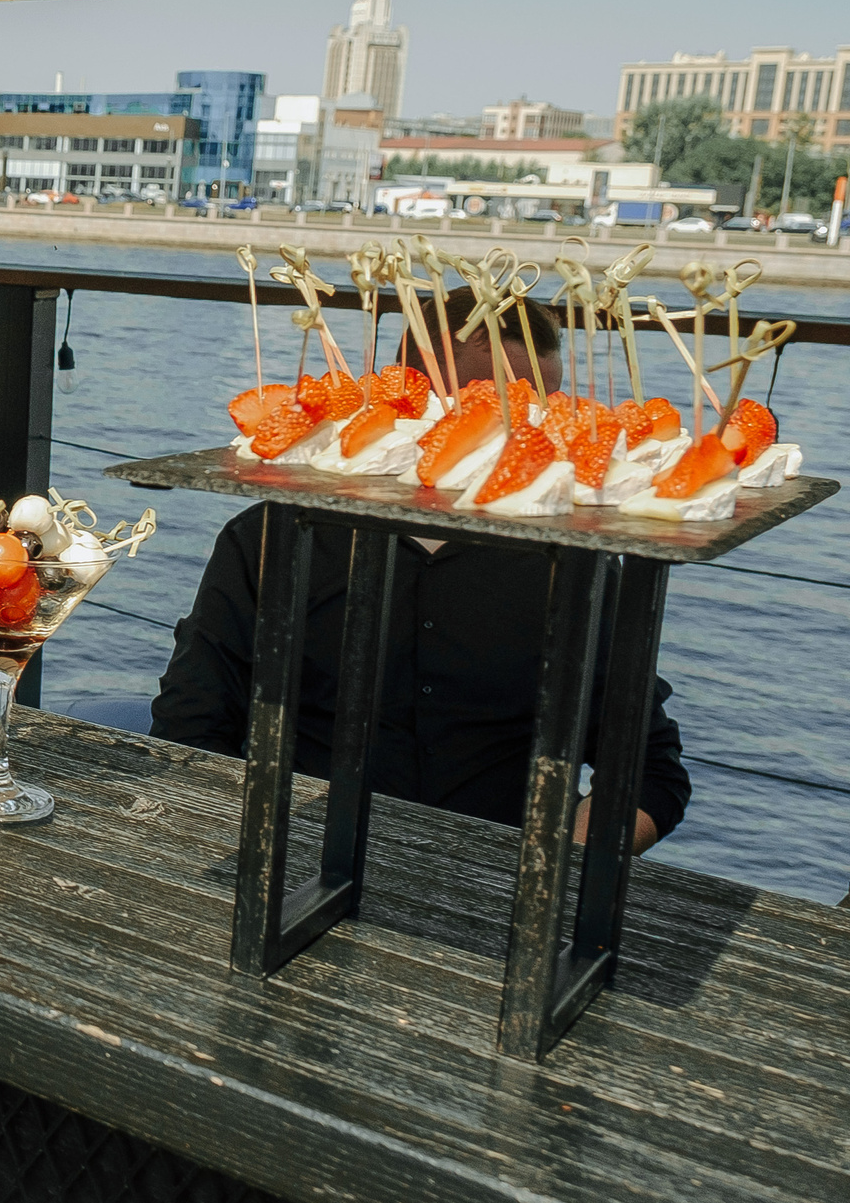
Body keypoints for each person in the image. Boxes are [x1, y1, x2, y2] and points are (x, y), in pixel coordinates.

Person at [150, 287, 691, 853]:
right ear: (412, 400)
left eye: (543, 405)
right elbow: (193, 724)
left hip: (498, 867)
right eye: (493, 404)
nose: (527, 429)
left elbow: (649, 772)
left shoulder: (578, 561)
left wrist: (561, 863)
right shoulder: (269, 537)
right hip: (296, 851)